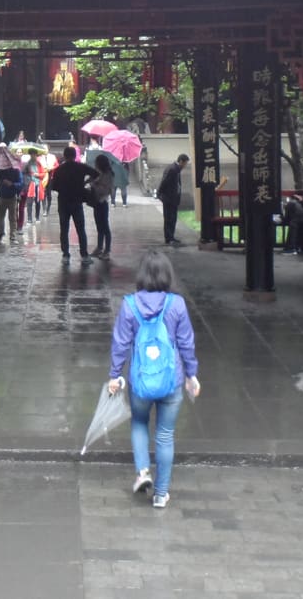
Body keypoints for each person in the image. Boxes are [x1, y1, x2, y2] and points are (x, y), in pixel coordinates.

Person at [107, 250, 201, 510]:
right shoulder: (177, 304)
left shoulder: (129, 304)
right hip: (171, 381)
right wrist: (192, 375)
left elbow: (120, 344)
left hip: (140, 383)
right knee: (165, 435)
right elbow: (186, 343)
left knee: (139, 422)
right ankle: (161, 494)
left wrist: (115, 375)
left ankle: (142, 472)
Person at [46, 145, 97, 263]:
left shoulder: (59, 169)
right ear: (75, 156)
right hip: (77, 201)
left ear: (64, 156)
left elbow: (54, 186)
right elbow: (95, 174)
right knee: (80, 229)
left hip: (63, 201)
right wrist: (85, 182)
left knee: (64, 229)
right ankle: (84, 255)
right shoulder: (81, 167)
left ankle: (65, 255)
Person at [155, 154, 190, 247]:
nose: (185, 166)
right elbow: (164, 182)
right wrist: (159, 193)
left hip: (173, 198)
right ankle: (169, 238)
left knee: (173, 218)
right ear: (181, 161)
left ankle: (171, 237)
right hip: (169, 198)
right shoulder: (172, 169)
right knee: (169, 219)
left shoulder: (176, 169)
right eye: (185, 163)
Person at [90, 153, 114, 258]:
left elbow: (106, 190)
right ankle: (99, 247)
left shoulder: (108, 175)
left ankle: (107, 250)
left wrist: (94, 185)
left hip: (102, 202)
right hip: (97, 202)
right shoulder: (100, 174)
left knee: (105, 227)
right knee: (99, 227)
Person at [0, 160, 22, 242]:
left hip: (12, 198)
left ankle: (12, 235)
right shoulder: (1, 170)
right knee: (0, 217)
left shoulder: (16, 171)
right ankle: (1, 233)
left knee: (12, 218)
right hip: (2, 197)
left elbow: (20, 184)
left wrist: (12, 184)